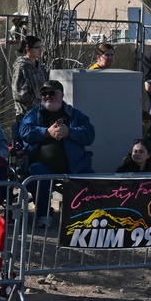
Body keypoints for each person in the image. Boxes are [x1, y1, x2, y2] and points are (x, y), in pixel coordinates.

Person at [19, 80, 96, 226]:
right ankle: (44, 215)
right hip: (42, 164)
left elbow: (90, 135)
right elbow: (24, 131)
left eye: (52, 93)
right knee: (37, 176)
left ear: (61, 95)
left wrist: (69, 132)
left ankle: (86, 216)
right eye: (44, 93)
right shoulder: (35, 113)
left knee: (93, 179)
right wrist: (46, 132)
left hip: (74, 164)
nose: (47, 96)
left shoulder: (74, 114)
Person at [11, 35, 48, 120]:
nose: (41, 50)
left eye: (41, 47)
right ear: (27, 48)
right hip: (25, 114)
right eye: (37, 47)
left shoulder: (40, 67)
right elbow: (18, 94)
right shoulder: (21, 66)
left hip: (40, 112)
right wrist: (35, 103)